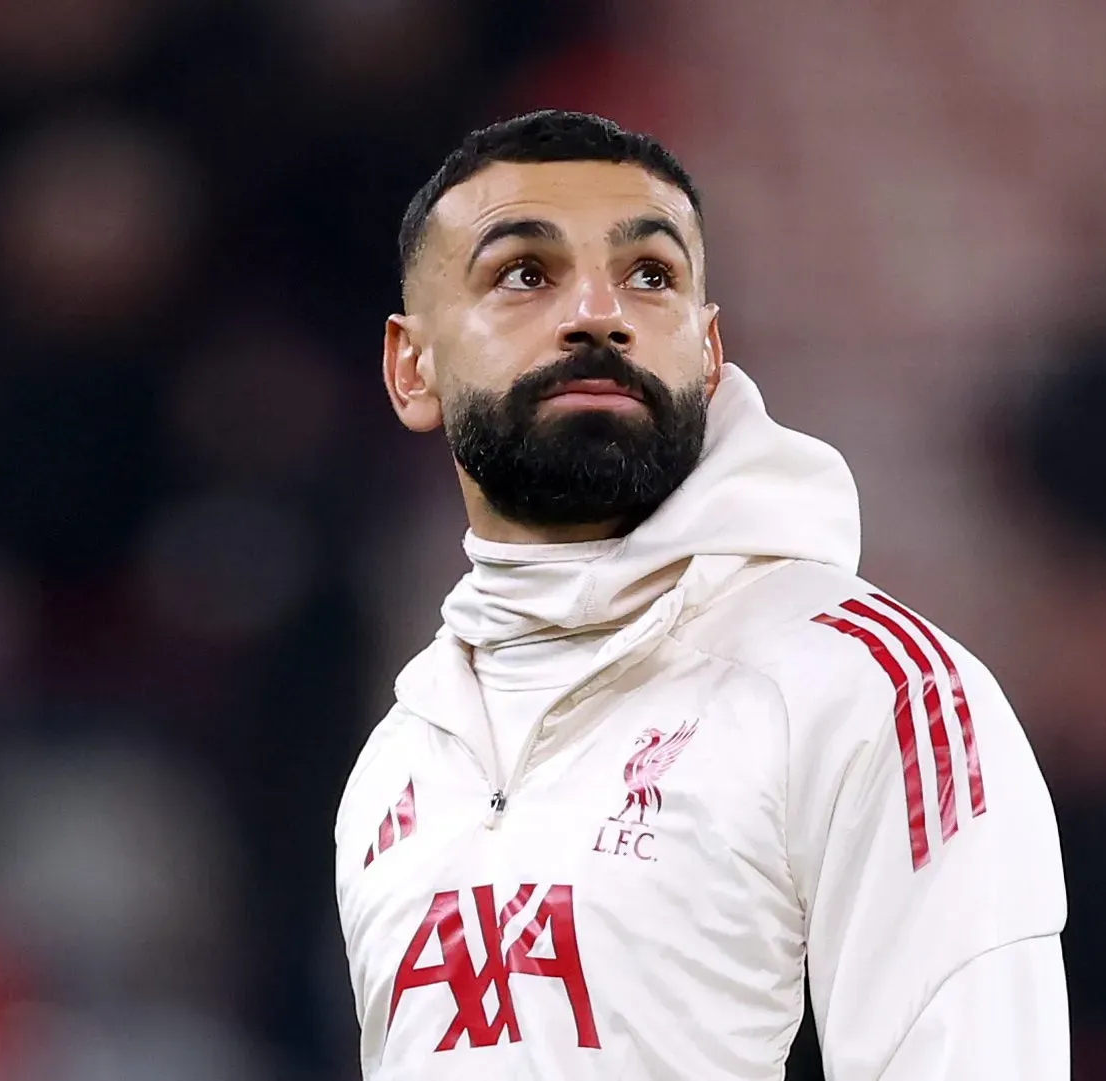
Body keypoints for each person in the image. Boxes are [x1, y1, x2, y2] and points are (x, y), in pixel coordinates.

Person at [334, 110, 1068, 1080]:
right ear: (410, 366)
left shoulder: (871, 690)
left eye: (652, 276)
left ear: (710, 353)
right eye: (524, 274)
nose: (600, 310)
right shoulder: (398, 760)